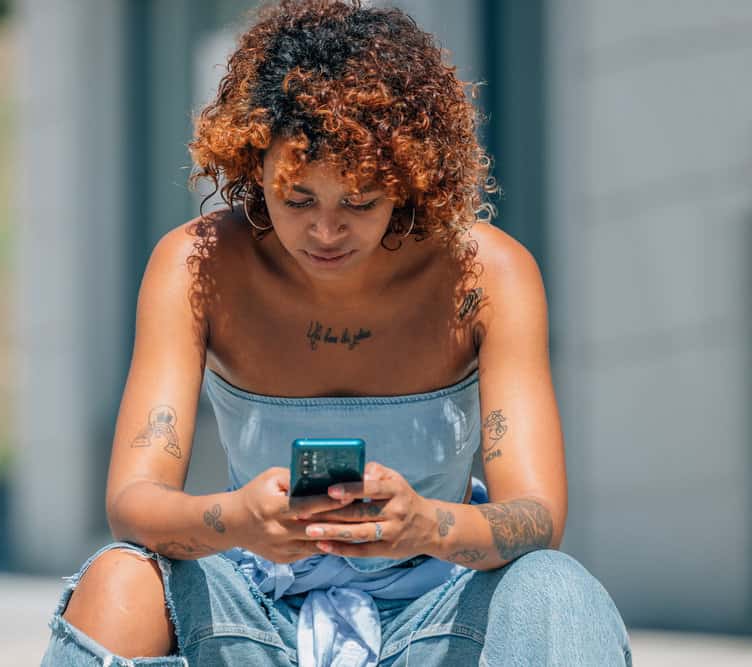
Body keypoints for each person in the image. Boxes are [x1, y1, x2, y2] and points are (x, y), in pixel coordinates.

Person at [40, 1, 633, 665]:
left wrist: (425, 523)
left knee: (557, 587)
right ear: (253, 164)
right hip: (257, 610)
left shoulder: (488, 273)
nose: (325, 231)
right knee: (119, 579)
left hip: (437, 620)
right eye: (297, 199)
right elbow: (132, 500)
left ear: (408, 182)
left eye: (359, 201)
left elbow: (537, 516)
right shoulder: (195, 266)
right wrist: (238, 519)